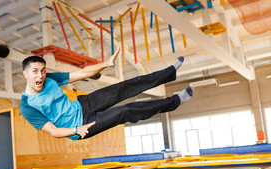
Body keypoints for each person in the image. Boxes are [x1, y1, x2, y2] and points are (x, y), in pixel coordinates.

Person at [20, 47, 192, 141]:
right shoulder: (27, 106)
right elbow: (53, 132)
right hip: (81, 125)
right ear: (25, 74)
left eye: (42, 71)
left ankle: (169, 73)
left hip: (82, 104)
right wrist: (76, 129)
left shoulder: (50, 79)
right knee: (125, 111)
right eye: (35, 71)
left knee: (122, 87)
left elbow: (82, 73)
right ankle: (175, 101)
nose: (40, 75)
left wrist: (105, 63)